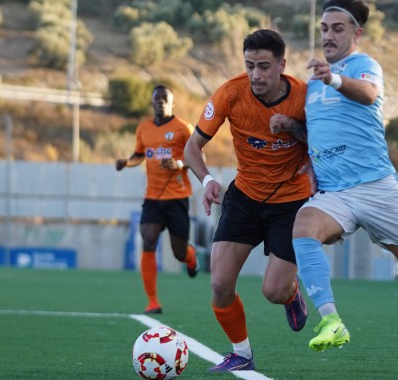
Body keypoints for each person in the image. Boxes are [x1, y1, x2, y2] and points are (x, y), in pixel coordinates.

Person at [287, 1, 398, 378]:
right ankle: (332, 321)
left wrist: (333, 78)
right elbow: (319, 132)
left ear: (356, 33)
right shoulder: (312, 85)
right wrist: (291, 128)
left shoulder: (364, 66)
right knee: (303, 229)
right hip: (336, 194)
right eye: (324, 28)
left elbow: (366, 94)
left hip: (377, 189)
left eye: (337, 28)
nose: (328, 35)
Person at [183, 29, 311, 372]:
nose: (256, 74)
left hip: (292, 204)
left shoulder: (304, 97)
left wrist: (292, 128)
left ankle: (291, 293)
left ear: (282, 65)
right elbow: (191, 147)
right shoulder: (230, 93)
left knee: (273, 290)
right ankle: (241, 353)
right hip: (245, 198)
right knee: (220, 283)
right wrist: (208, 179)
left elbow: (323, 144)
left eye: (264, 66)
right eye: (250, 65)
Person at [115, 85, 199, 315]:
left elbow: (196, 156)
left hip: (177, 198)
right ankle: (153, 302)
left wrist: (179, 163)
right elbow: (139, 155)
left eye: (165, 99)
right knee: (148, 240)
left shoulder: (183, 128)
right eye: (157, 99)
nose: (161, 102)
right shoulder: (143, 129)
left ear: (172, 103)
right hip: (152, 198)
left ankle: (190, 258)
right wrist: (126, 163)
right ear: (152, 103)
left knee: (178, 253)